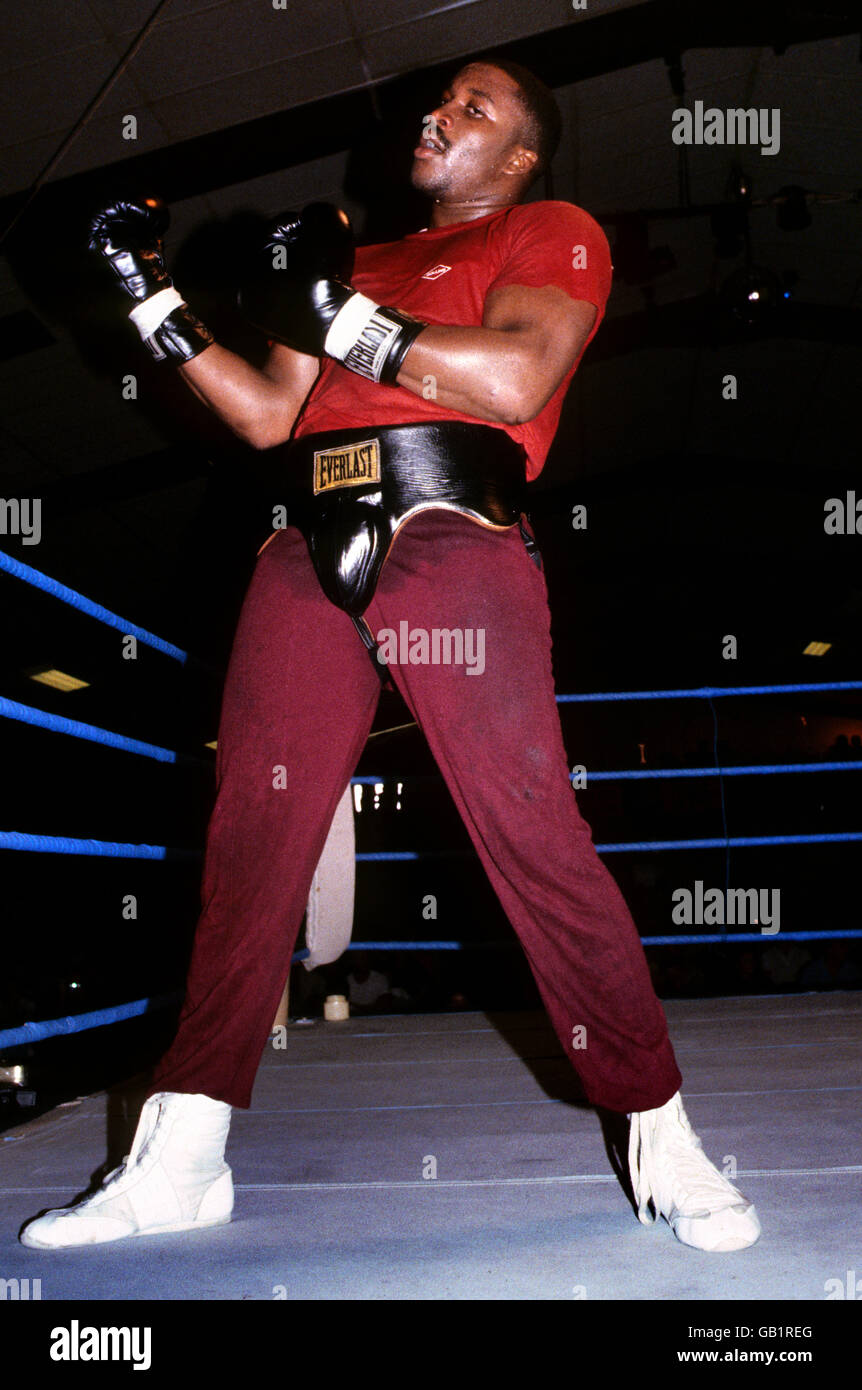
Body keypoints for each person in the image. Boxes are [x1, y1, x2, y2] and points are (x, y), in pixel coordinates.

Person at [20, 57, 759, 1255]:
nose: (438, 116)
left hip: (451, 534)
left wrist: (347, 324)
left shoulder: (548, 227)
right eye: (439, 103)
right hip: (306, 541)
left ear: (518, 155)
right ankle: (184, 1150)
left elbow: (519, 373)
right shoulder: (352, 266)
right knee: (250, 834)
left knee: (526, 823)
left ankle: (662, 1135)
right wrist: (150, 301)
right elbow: (268, 413)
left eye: (475, 110)